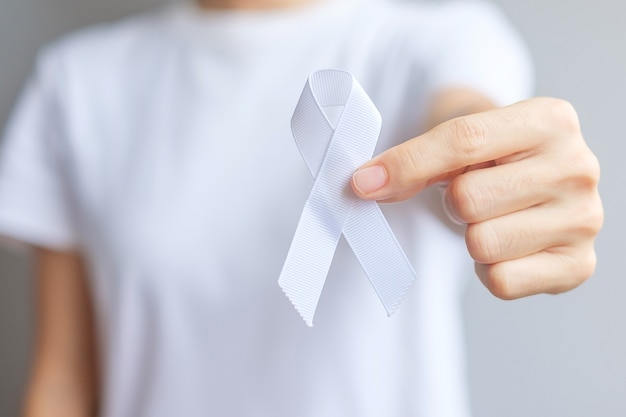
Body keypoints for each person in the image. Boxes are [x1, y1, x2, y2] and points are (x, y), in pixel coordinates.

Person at [0, 0, 603, 416]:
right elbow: (63, 385)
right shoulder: (75, 84)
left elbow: (464, 120)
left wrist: (498, 169)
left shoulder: (436, 40)